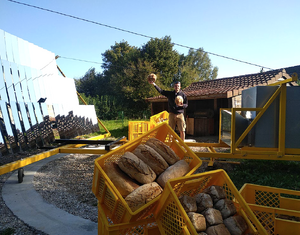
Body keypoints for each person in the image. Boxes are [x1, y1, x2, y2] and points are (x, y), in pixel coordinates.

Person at [148, 74, 188, 141]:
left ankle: (182, 144)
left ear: (180, 87)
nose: (176, 87)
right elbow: (161, 91)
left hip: (180, 115)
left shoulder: (183, 95)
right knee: (171, 131)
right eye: (175, 86)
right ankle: (170, 143)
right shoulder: (170, 94)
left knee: (182, 130)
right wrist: (154, 84)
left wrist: (182, 106)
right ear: (174, 87)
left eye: (178, 86)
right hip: (172, 114)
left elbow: (186, 104)